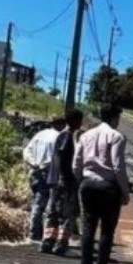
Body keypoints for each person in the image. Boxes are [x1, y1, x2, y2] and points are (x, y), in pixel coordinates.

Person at [72, 103, 130, 264]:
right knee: (107, 230)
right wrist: (125, 191)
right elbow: (118, 166)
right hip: (108, 186)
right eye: (118, 117)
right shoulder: (116, 136)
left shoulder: (86, 135)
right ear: (114, 118)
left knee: (88, 227)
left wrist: (81, 181)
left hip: (88, 183)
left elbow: (76, 163)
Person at [41, 108, 84, 255]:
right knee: (67, 214)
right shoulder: (68, 137)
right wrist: (69, 178)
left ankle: (48, 241)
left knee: (53, 212)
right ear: (76, 121)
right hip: (66, 181)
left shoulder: (61, 136)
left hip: (55, 180)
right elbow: (65, 160)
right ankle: (60, 243)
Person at [22, 117, 65, 242]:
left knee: (37, 201)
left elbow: (26, 151)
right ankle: (36, 234)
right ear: (61, 124)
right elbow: (58, 158)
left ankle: (36, 232)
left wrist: (34, 163)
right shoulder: (59, 137)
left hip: (35, 173)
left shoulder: (40, 135)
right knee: (46, 206)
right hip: (49, 174)